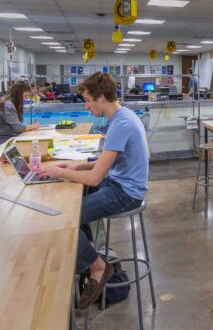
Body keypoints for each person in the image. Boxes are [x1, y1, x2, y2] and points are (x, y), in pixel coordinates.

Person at [41, 72, 148, 309]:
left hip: (126, 193)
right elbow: (104, 162)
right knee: (69, 202)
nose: (87, 106)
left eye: (88, 100)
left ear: (101, 98)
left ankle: (97, 266)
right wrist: (76, 165)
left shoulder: (121, 123)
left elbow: (93, 178)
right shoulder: (121, 117)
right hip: (116, 183)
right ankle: (88, 253)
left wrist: (60, 172)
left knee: (64, 217)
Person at [0, 80, 39, 147]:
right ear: (18, 94)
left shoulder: (4, 101)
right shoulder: (8, 105)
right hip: (2, 142)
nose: (25, 99)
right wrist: (33, 126)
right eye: (25, 96)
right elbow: (18, 128)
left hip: (5, 138)